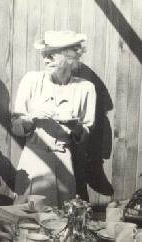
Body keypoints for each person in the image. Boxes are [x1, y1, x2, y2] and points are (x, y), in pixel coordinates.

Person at [11, 31, 96, 207]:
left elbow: (86, 134)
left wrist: (76, 127)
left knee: (61, 221)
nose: (45, 60)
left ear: (69, 57)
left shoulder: (85, 88)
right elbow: (15, 126)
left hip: (64, 163)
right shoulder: (31, 80)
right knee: (27, 219)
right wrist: (31, 117)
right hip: (33, 162)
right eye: (44, 55)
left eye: (51, 55)